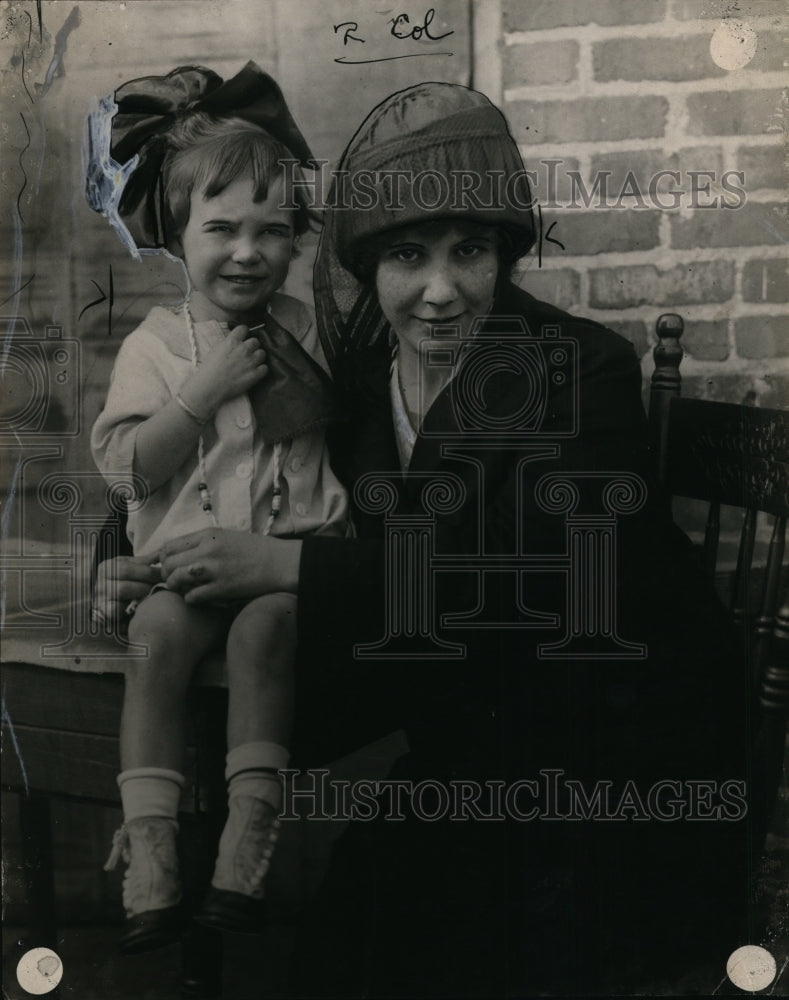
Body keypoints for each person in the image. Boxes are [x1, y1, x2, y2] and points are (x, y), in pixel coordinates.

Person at [96, 82, 754, 994]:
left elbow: (539, 574)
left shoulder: (580, 369)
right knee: (343, 955)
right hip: (471, 736)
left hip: (624, 750)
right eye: (407, 254)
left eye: (469, 252)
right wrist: (128, 567)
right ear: (368, 265)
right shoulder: (356, 383)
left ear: (503, 256)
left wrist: (287, 564)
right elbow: (226, 474)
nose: (440, 292)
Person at [88, 62, 350, 953]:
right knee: (155, 637)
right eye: (223, 229)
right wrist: (199, 394)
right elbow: (125, 471)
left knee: (264, 633)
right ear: (176, 231)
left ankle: (250, 837)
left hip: (283, 565)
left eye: (272, 232)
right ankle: (152, 843)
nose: (248, 252)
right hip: (186, 570)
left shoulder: (308, 324)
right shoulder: (158, 347)